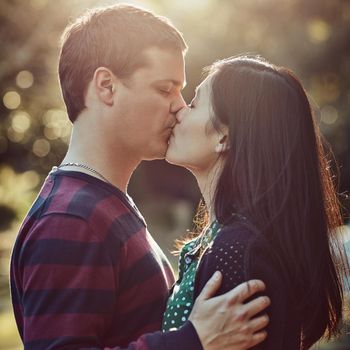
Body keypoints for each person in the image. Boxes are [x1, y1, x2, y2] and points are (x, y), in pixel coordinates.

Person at [9, 5, 270, 350]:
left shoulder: (102, 205)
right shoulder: (70, 219)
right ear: (106, 87)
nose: (179, 106)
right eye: (165, 89)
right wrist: (192, 341)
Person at [164, 55, 347, 349]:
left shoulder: (236, 250)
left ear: (225, 136)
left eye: (194, 104)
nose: (179, 111)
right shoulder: (228, 242)